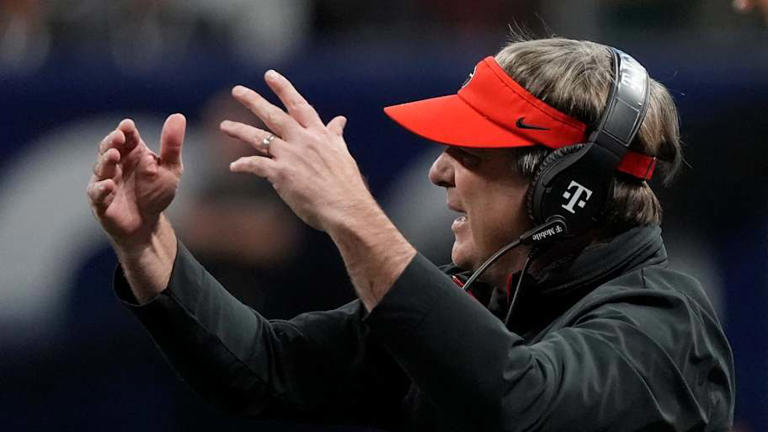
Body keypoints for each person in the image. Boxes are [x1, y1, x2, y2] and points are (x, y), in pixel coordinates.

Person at [86, 37, 734, 431]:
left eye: (472, 154)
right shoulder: (480, 299)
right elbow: (263, 367)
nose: (439, 171)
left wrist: (351, 214)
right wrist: (148, 243)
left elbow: (517, 405)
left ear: (569, 183)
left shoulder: (665, 328)